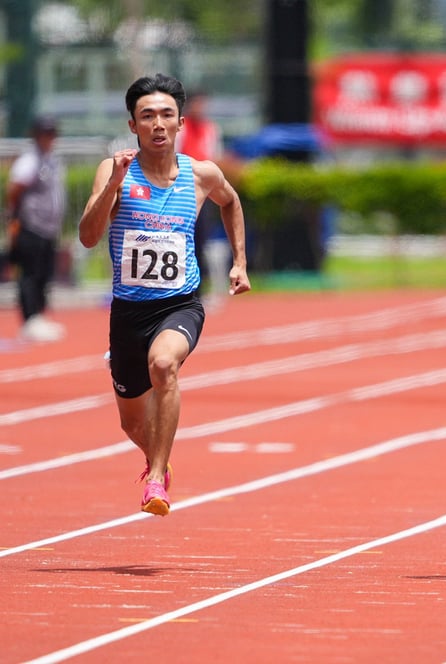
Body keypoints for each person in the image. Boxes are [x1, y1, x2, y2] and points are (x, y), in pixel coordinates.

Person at [79, 73, 250, 516]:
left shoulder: (201, 174)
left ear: (180, 123)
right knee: (132, 421)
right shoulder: (113, 169)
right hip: (128, 312)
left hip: (180, 304)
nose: (158, 123)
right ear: (133, 125)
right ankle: (160, 460)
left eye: (166, 115)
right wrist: (112, 188)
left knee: (164, 365)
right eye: (147, 115)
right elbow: (87, 236)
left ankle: (155, 481)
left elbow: (230, 201)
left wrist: (240, 261)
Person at [5, 115, 67, 342]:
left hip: (48, 229)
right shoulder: (29, 161)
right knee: (30, 274)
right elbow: (15, 189)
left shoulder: (51, 159)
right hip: (31, 225)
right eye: (45, 134)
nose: (49, 138)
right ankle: (29, 318)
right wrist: (16, 217)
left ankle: (39, 316)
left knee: (44, 273)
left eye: (52, 134)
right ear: (36, 135)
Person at [175, 89, 224, 296]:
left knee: (201, 240)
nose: (200, 108)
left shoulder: (211, 129)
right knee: (179, 240)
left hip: (202, 192)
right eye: (196, 104)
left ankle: (199, 289)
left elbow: (215, 157)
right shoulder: (180, 129)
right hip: (181, 191)